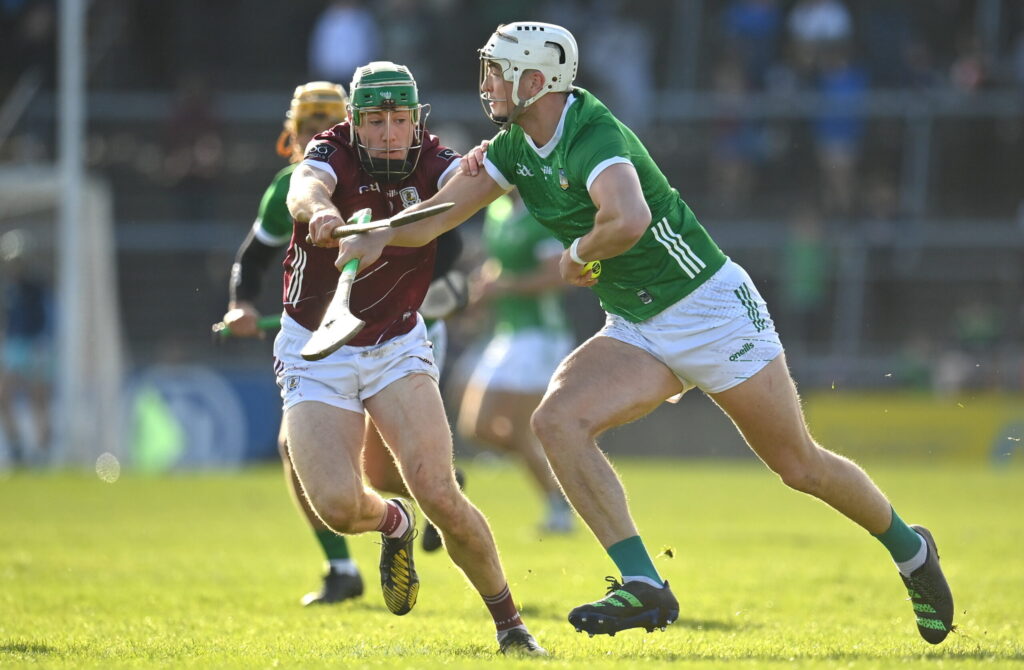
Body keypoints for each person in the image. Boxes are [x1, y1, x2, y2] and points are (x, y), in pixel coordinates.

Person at [327, 23, 955, 645]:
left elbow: (628, 218)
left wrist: (577, 253)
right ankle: (643, 581)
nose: (487, 82)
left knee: (799, 465)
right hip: (638, 323)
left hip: (709, 308)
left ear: (536, 81)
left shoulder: (591, 131)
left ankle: (912, 551)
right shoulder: (514, 146)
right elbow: (438, 216)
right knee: (556, 422)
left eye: (498, 71)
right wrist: (379, 233)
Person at [287, 61, 545, 655]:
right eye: (375, 121)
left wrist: (479, 170)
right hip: (315, 345)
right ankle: (393, 523)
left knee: (439, 492)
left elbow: (463, 190)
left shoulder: (433, 159)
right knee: (338, 507)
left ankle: (511, 626)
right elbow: (306, 185)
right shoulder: (332, 150)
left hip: (395, 342)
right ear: (355, 121)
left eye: (399, 120)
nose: (388, 134)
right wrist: (320, 212)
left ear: (415, 119)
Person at [220, 81, 461, 608]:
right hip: (328, 341)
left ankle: (438, 491)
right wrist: (241, 304)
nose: (316, 137)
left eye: (324, 127)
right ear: (292, 135)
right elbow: (253, 258)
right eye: (307, 128)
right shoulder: (292, 189)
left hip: (396, 336)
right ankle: (342, 565)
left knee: (382, 470)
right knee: (299, 451)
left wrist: (401, 273)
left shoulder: (396, 172)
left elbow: (451, 240)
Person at [456, 191, 574, 533]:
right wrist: (483, 289)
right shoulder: (497, 209)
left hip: (540, 336)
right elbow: (499, 264)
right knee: (476, 427)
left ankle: (558, 506)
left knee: (521, 429)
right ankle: (559, 477)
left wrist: (505, 287)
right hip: (507, 334)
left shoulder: (542, 212)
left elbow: (559, 276)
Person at [0, 229, 53, 465]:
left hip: (35, 347)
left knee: (38, 399)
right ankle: (16, 447)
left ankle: (42, 452)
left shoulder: (37, 286)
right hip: (15, 348)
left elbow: (46, 319)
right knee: (3, 395)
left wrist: (42, 347)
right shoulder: (9, 288)